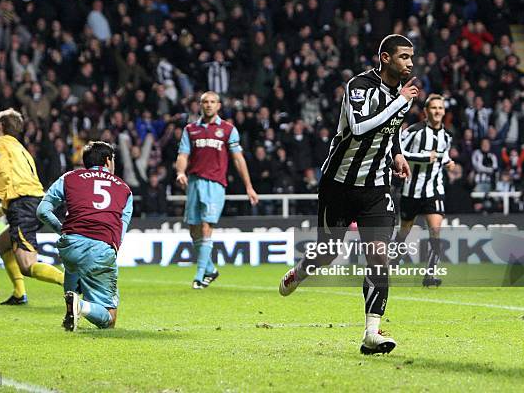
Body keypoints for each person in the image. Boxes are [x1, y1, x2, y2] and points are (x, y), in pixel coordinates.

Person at [278, 34, 417, 355]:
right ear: (385, 58)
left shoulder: (401, 92)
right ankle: (299, 273)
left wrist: (397, 153)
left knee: (378, 255)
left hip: (376, 187)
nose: (410, 63)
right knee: (327, 252)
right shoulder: (359, 86)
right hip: (338, 185)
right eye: (404, 57)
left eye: (411, 57)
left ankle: (372, 332)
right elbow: (358, 126)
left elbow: (390, 128)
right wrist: (400, 102)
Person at [36, 141, 133, 331]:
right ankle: (79, 306)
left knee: (73, 268)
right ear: (108, 160)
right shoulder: (124, 189)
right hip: (100, 247)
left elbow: (42, 210)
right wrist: (111, 248)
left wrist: (63, 229)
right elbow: (120, 229)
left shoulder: (70, 177)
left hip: (70, 245)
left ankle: (69, 311)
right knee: (109, 320)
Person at [0, 108, 64, 305]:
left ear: (1, 126)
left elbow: (4, 175)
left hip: (23, 204)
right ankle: (19, 293)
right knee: (2, 243)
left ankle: (74, 283)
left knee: (27, 265)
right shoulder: (21, 149)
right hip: (37, 202)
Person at [176, 91, 258, 289]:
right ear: (200, 105)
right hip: (194, 182)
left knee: (206, 226)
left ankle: (199, 276)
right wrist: (180, 172)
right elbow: (183, 155)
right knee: (194, 229)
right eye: (205, 102)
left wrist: (248, 186)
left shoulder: (228, 129)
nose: (209, 105)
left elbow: (238, 158)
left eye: (212, 102)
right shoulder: (190, 129)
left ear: (219, 105)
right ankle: (211, 269)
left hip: (215, 184)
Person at [393, 94, 455, 287]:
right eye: (434, 108)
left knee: (435, 231)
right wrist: (424, 157)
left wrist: (448, 163)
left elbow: (442, 155)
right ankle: (390, 262)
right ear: (426, 112)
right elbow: (399, 153)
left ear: (444, 112)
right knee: (404, 231)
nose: (437, 111)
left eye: (440, 108)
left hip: (434, 189)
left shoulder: (447, 136)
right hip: (411, 190)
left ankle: (430, 275)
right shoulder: (414, 131)